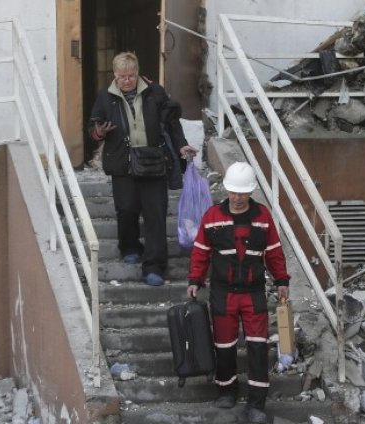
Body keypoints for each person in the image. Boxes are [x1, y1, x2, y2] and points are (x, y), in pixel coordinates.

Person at [187, 162, 290, 424]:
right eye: (233, 192)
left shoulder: (263, 217)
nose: (237, 197)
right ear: (227, 190)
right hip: (222, 293)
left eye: (242, 193)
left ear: (250, 192)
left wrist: (281, 280)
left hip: (254, 292)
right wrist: (195, 279)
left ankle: (257, 402)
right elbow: (200, 251)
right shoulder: (212, 217)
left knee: (258, 346)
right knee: (224, 345)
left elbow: (275, 252)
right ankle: (226, 390)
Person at [88, 52, 197, 286]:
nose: (127, 80)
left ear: (137, 73)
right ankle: (129, 246)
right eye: (122, 76)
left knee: (156, 213)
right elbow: (93, 128)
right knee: (126, 208)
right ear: (114, 76)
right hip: (122, 162)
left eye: (131, 75)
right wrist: (100, 131)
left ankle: (154, 266)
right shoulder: (105, 98)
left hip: (153, 160)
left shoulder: (155, 92)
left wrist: (181, 145)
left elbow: (171, 122)